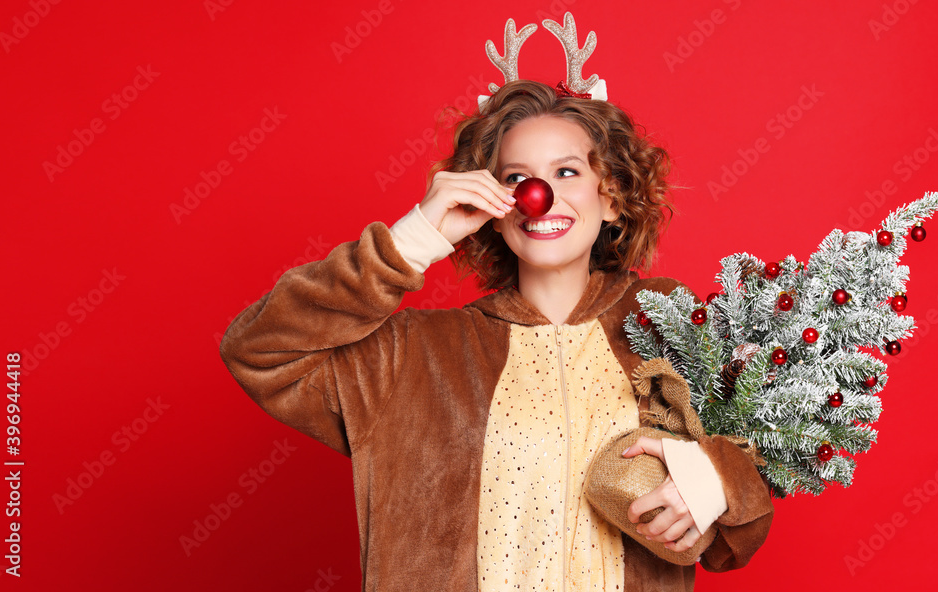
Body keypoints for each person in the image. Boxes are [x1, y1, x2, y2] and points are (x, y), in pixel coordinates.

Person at [220, 13, 772, 591]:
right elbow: (261, 352)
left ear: (612, 196)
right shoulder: (414, 357)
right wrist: (412, 238)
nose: (541, 196)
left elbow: (737, 538)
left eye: (566, 171)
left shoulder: (672, 333)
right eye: (517, 178)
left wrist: (717, 481)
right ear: (495, 205)